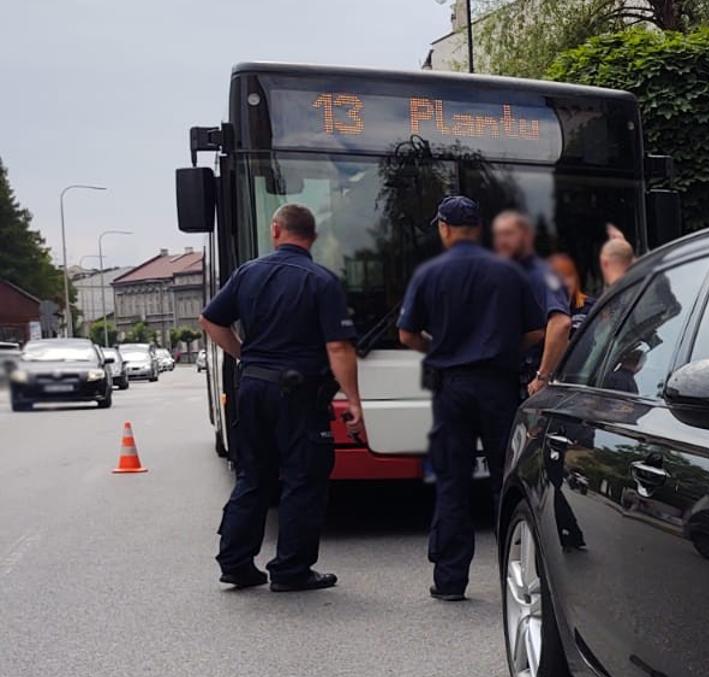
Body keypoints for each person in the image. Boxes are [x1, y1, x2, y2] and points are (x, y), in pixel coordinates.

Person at [199, 203, 363, 592]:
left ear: (276, 230)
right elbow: (339, 346)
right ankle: (290, 569)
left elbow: (210, 320)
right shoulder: (321, 281)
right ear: (313, 237)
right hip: (299, 393)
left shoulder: (248, 273)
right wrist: (353, 400)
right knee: (302, 478)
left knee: (253, 474)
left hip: (252, 388)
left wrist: (245, 356)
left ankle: (236, 562)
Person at [398, 196, 546, 601]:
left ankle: (450, 580)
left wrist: (441, 350)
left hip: (452, 387)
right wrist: (501, 347)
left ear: (445, 227)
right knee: (506, 480)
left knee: (452, 481)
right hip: (498, 386)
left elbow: (407, 334)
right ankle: (512, 574)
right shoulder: (509, 273)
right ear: (478, 228)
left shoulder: (429, 274)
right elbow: (537, 330)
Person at [492, 211, 571, 397]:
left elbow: (561, 323)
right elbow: (534, 331)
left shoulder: (540, 274)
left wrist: (542, 377)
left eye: (509, 234)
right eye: (499, 235)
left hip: (531, 385)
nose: (502, 241)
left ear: (526, 236)